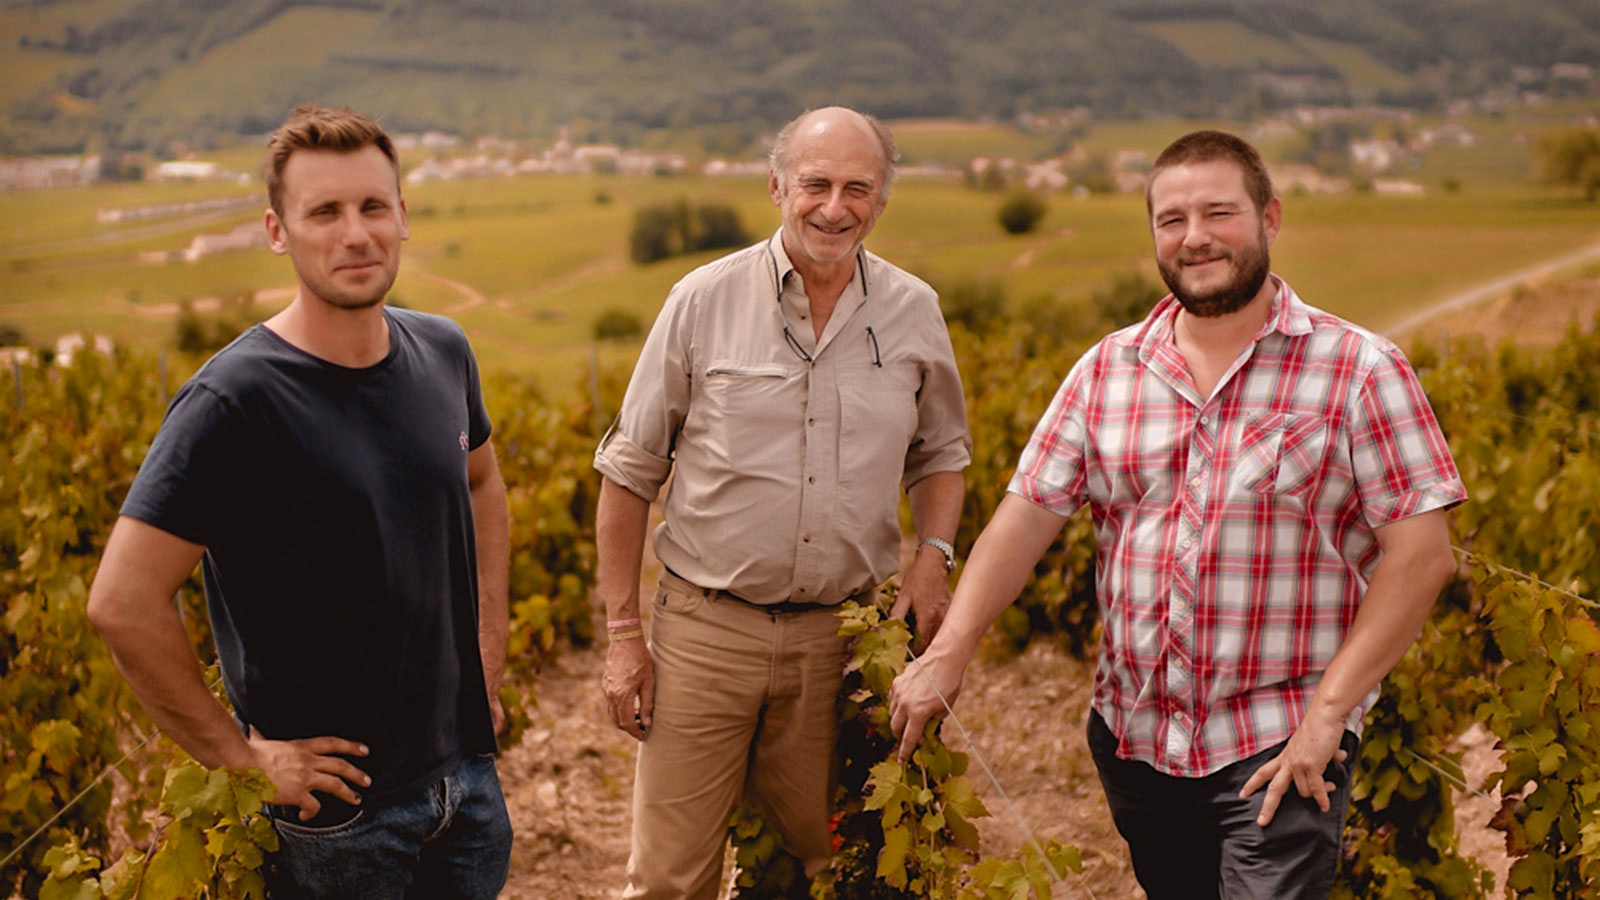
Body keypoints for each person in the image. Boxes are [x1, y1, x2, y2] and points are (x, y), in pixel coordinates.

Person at [888, 129, 1467, 899]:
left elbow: (1422, 556)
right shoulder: (1107, 369)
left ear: (1271, 217)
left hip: (1280, 744)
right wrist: (952, 649)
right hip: (1134, 743)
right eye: (1172, 220)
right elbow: (1026, 517)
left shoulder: (1359, 368)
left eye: (1218, 213)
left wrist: (1330, 714)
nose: (1195, 238)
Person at [87, 103, 512, 899]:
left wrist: (490, 646)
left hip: (468, 781)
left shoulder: (445, 352)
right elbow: (122, 601)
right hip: (339, 820)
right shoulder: (234, 401)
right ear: (278, 231)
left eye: (372, 206)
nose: (355, 233)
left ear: (402, 218)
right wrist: (240, 761)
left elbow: (484, 484)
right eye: (324, 211)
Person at [595, 106, 971, 898]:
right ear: (777, 187)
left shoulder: (913, 311)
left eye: (856, 188)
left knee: (827, 869)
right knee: (670, 879)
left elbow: (941, 455)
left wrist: (932, 559)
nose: (835, 207)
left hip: (840, 642)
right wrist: (625, 634)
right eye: (816, 184)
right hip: (704, 635)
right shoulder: (702, 300)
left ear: (881, 200)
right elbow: (629, 472)